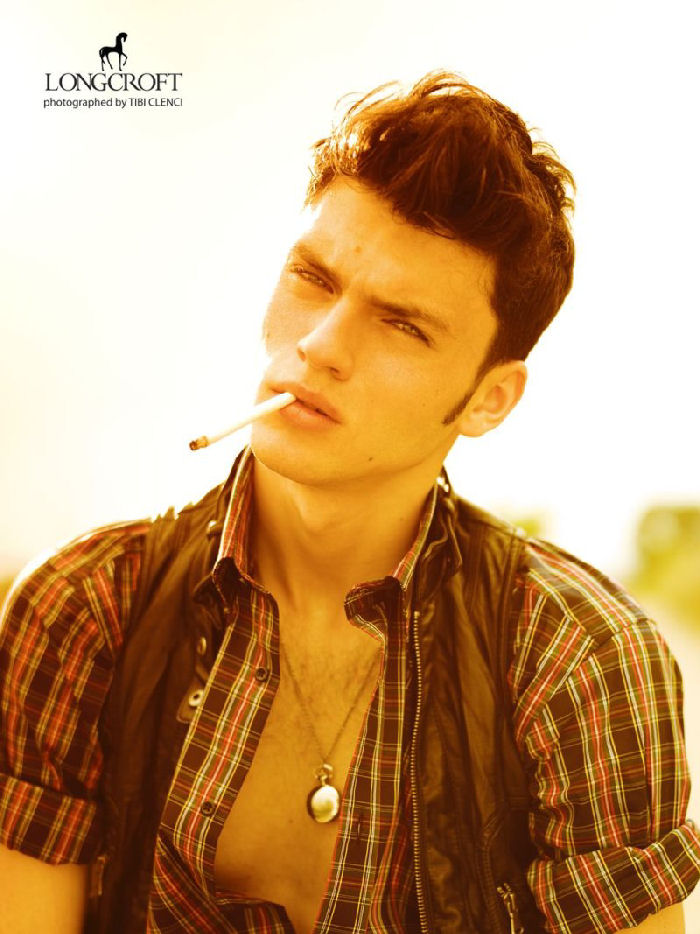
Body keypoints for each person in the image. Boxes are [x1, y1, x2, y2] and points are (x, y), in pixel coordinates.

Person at [0, 71, 698, 934]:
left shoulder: (577, 659)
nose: (321, 346)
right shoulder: (85, 610)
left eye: (402, 324)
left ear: (490, 400)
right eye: (313, 278)